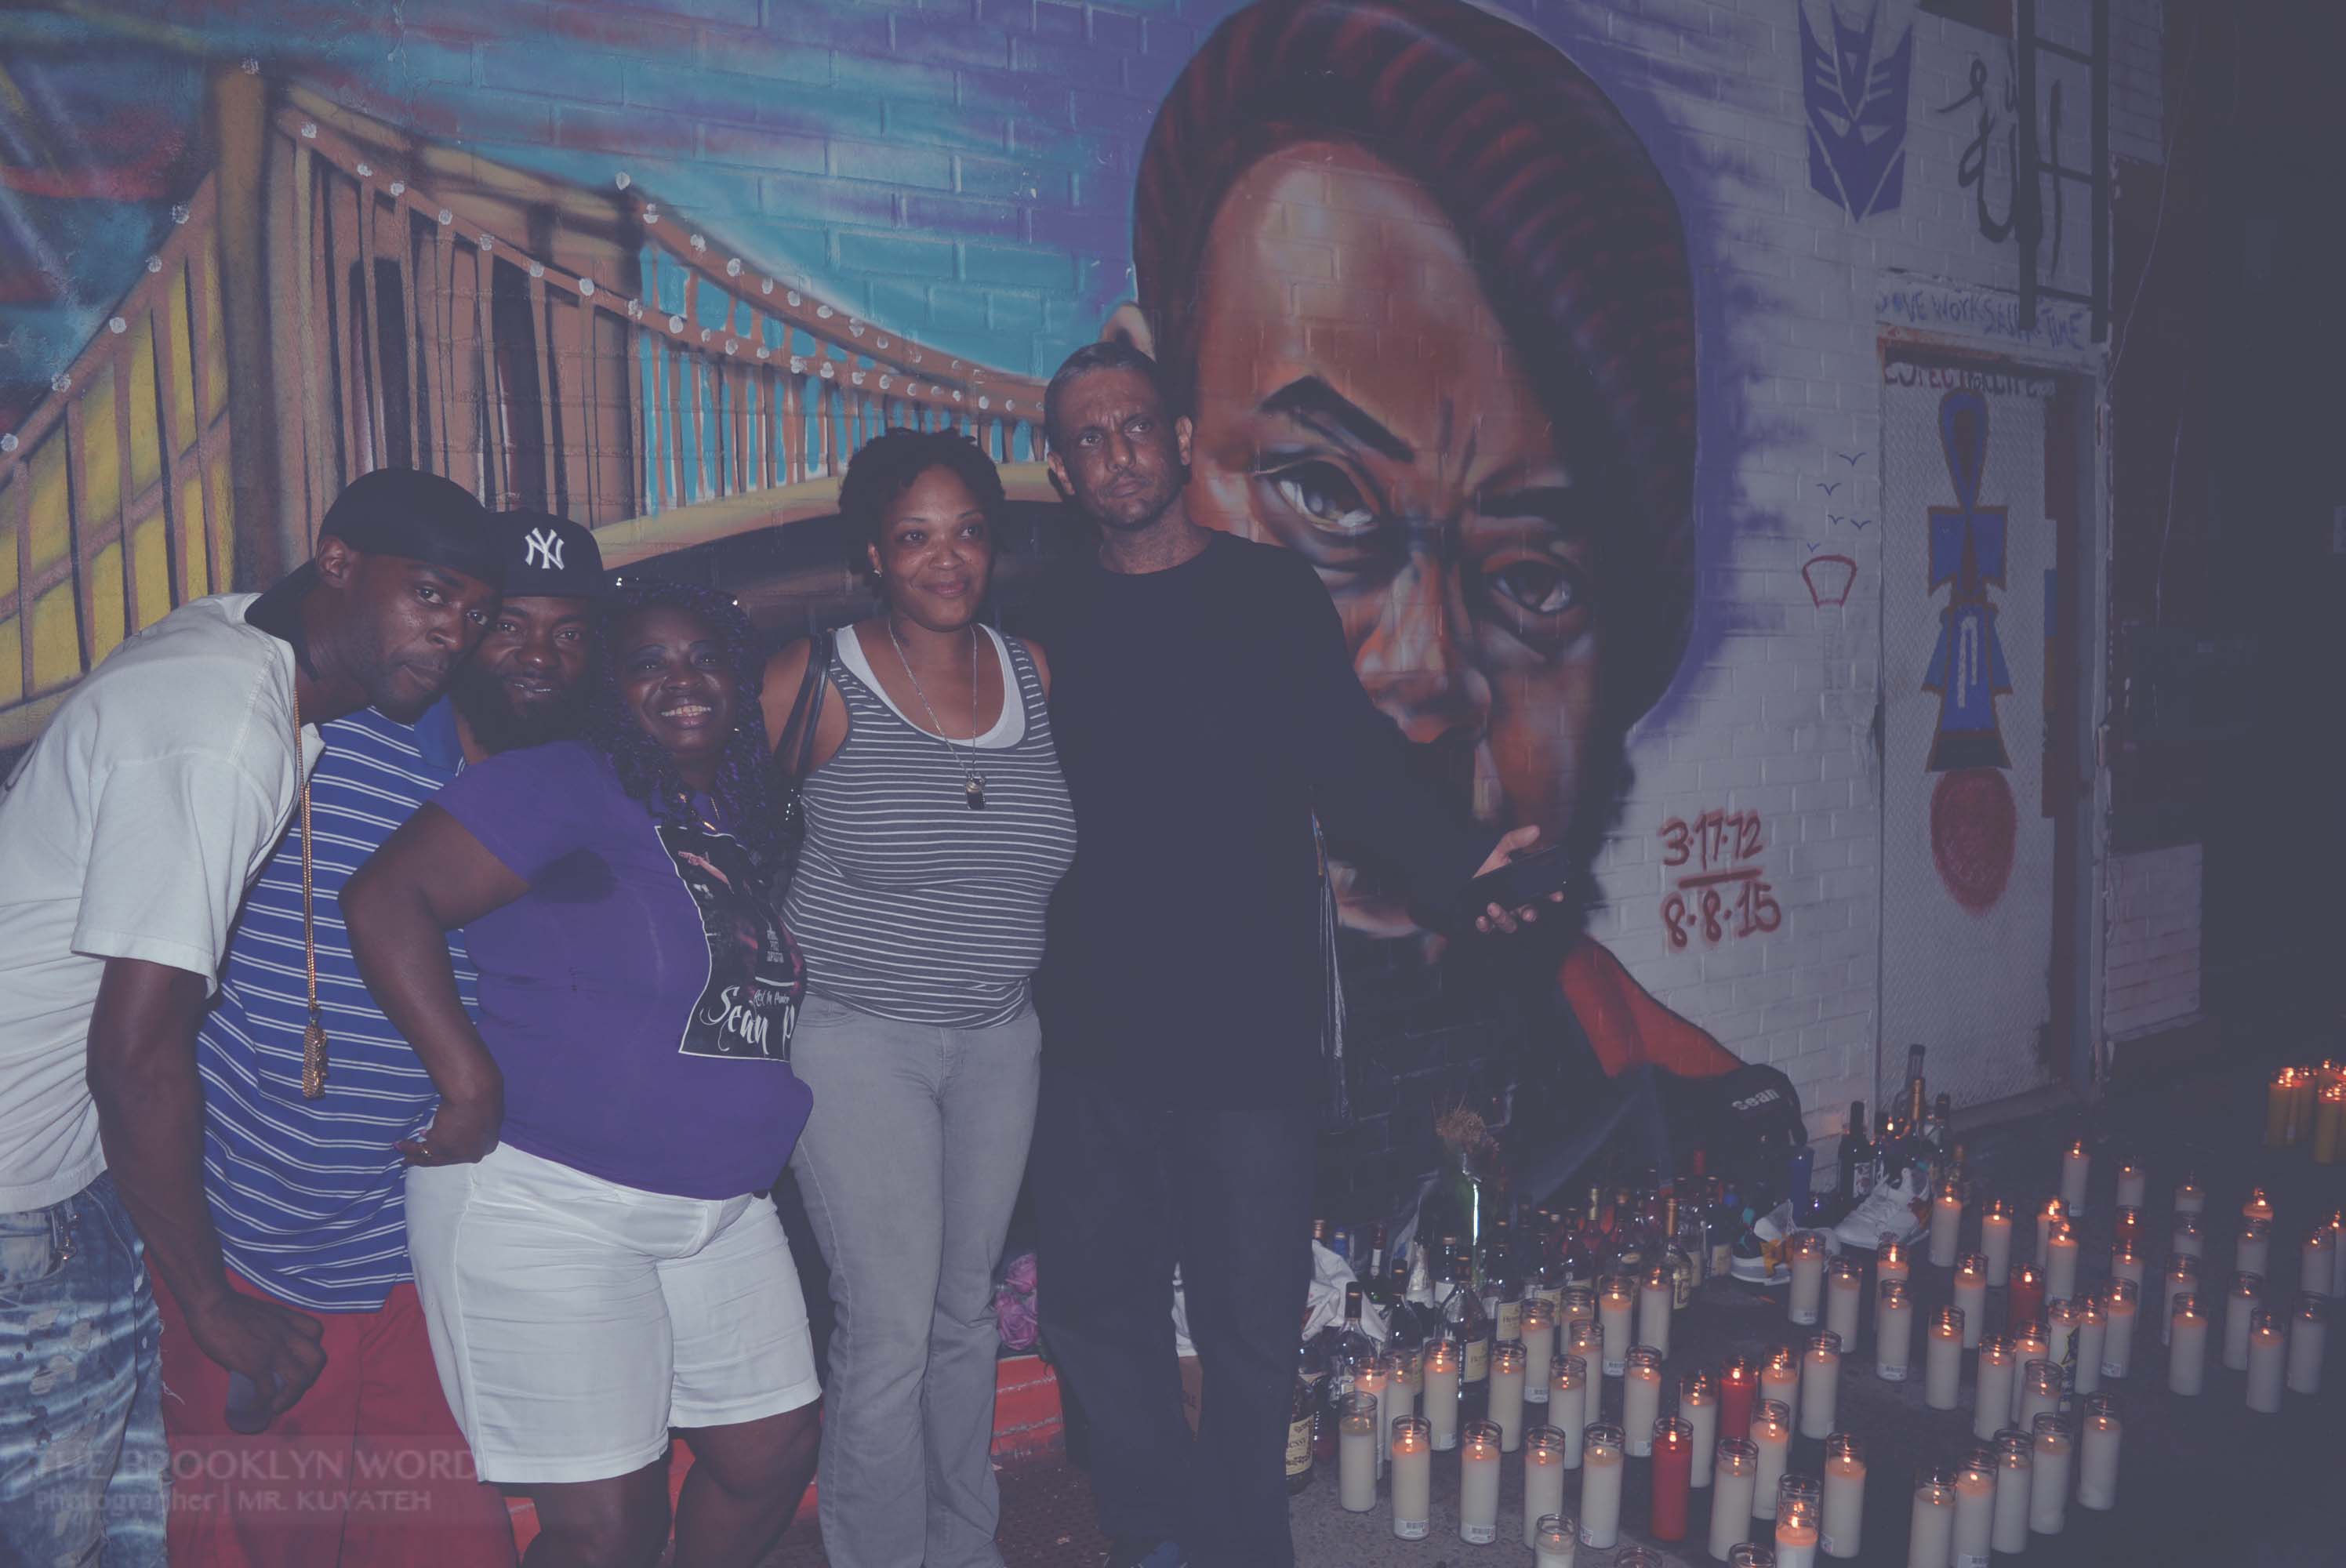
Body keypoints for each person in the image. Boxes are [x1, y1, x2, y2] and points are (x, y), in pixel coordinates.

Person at [1113, 0, 1745, 1107]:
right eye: (1324, 496)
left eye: (1532, 578)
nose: (1422, 684)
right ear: (1161, 446)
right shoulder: (1088, 1048)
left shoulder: (1677, 1100)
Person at [1031, 341, 1549, 1568]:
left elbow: (1353, 763)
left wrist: (1460, 864)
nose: (1117, 454)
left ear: (1178, 440)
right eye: (1089, 439)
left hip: (1248, 1021)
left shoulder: (1265, 596)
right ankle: (1154, 1535)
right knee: (1100, 1312)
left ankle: (1244, 1541)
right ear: (1060, 471)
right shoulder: (1038, 616)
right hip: (1089, 1027)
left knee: (1251, 1317)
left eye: (1134, 427)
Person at [0, 466, 500, 1567]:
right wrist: (211, 1301)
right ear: (337, 563)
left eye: (474, 612)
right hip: (22, 1198)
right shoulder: (226, 730)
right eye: (429, 593)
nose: (453, 634)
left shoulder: (229, 645)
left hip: (60, 1181)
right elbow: (138, 1054)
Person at [155, 510, 605, 1566]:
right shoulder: (329, 745)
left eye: (570, 632)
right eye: (507, 623)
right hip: (255, 1247)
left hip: (416, 1253)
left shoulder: (573, 793)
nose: (537, 655)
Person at [344, 579, 821, 1568]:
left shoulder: (733, 809)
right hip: (550, 1206)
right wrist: (467, 1081)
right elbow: (385, 897)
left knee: (768, 1454)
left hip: (722, 1206)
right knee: (606, 1531)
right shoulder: (561, 780)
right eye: (648, 663)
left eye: (704, 658)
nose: (682, 680)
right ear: (609, 686)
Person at [760, 428, 1077, 1568]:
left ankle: (965, 1546)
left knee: (964, 1314)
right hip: (857, 1041)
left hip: (999, 1039)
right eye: (914, 537)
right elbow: (725, 834)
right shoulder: (813, 678)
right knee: (890, 1330)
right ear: (873, 555)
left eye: (968, 532)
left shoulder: (1031, 671)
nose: (946, 559)